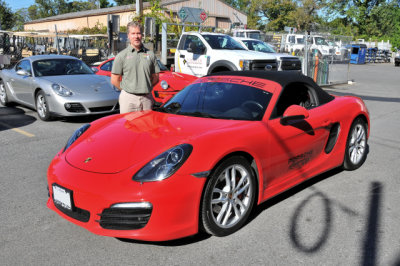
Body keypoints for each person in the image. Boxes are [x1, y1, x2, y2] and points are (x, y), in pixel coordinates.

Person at [111, 21, 160, 113]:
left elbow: (156, 77)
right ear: (128, 36)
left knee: (147, 127)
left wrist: (144, 87)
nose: (136, 36)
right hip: (128, 100)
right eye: (133, 33)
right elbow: (114, 80)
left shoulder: (150, 54)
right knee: (127, 127)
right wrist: (129, 89)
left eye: (138, 33)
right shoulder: (121, 56)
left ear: (142, 35)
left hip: (147, 99)